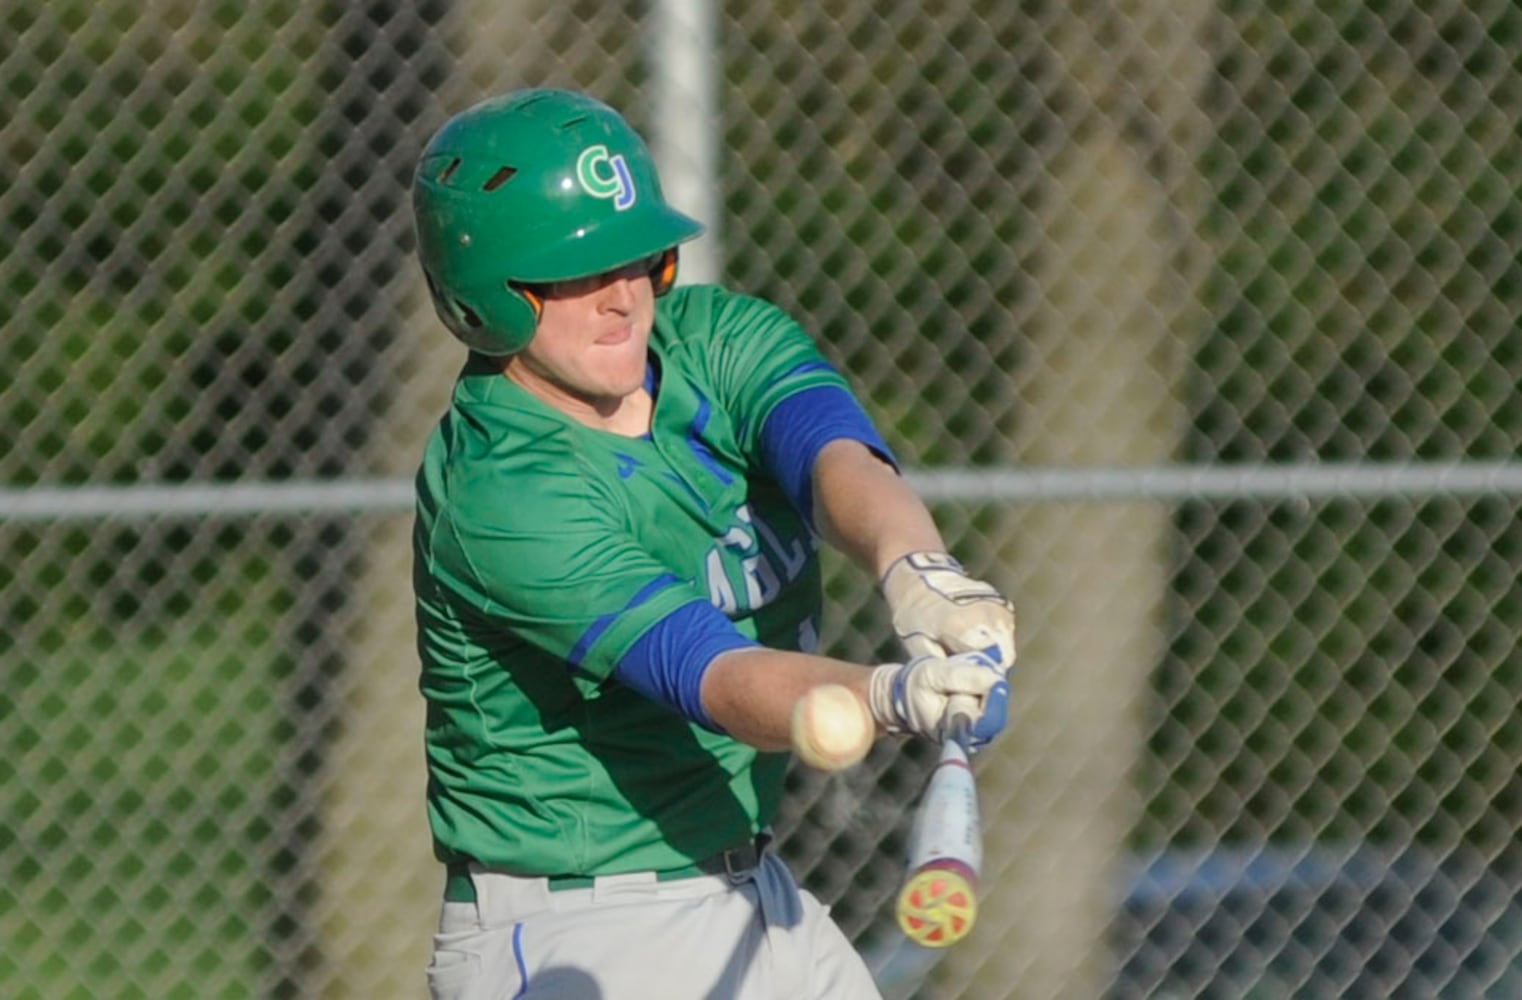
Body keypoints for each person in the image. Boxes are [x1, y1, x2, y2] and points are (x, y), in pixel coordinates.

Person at [408, 87, 1017, 1000]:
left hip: (754, 893)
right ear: (486, 297)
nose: (622, 299)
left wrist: (920, 573)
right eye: (575, 275)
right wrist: (896, 695)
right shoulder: (501, 489)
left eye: (641, 259)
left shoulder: (717, 339)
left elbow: (837, 461)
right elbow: (716, 678)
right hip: (580, 928)